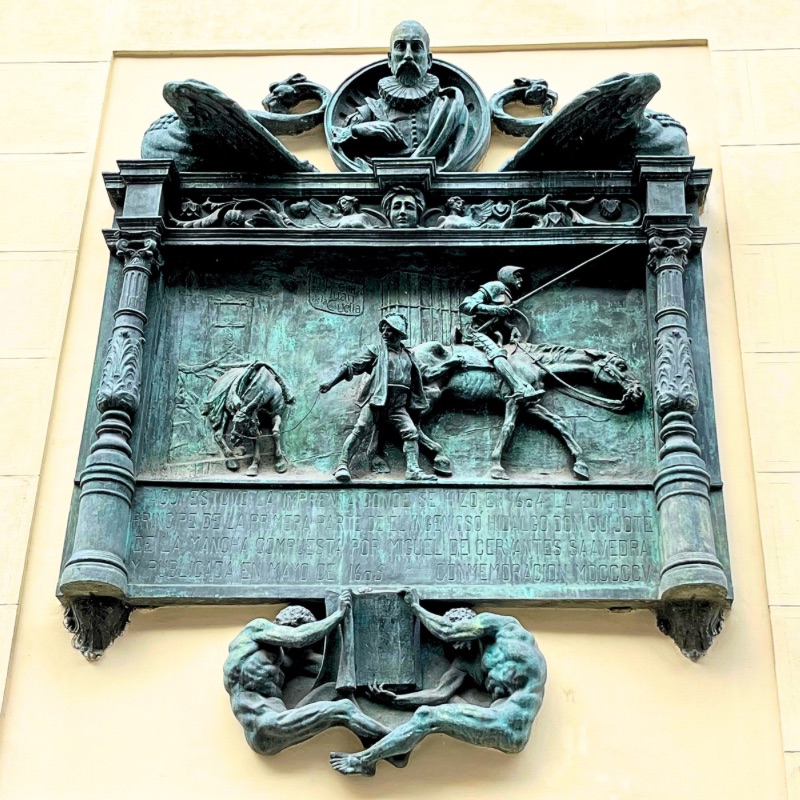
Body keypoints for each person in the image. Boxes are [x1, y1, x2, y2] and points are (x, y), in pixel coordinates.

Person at [329, 591, 547, 775]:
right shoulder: (465, 664)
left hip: (510, 725)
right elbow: (439, 693)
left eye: (457, 638)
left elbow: (447, 630)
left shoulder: (508, 631)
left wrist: (415, 607)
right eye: (450, 644)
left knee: (427, 716)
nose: (453, 646)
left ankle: (364, 761)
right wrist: (396, 700)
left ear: (471, 627)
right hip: (493, 719)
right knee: (444, 704)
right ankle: (397, 748)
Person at [223, 591, 392, 764]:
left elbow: (323, 666)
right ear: (288, 627)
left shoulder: (286, 660)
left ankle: (377, 745)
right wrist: (338, 615)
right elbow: (299, 638)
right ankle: (395, 741)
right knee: (343, 709)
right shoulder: (255, 631)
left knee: (331, 691)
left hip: (276, 731)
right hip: (266, 723)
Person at [329, 20, 471, 170]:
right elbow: (338, 138)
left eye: (416, 47)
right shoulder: (372, 110)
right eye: (400, 47)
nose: (408, 55)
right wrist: (363, 129)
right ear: (390, 60)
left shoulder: (451, 109)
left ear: (429, 61)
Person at [319, 313, 436, 482]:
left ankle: (413, 470)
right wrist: (331, 383)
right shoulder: (376, 351)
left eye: (389, 330)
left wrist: (452, 365)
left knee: (411, 432)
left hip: (398, 405)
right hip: (377, 402)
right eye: (383, 330)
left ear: (399, 332)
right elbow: (352, 366)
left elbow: (425, 375)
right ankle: (342, 466)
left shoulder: (409, 355)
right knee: (360, 430)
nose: (384, 333)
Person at [459, 266, 541, 400]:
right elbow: (465, 306)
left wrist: (511, 328)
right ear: (508, 275)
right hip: (476, 331)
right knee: (497, 353)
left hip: (491, 334)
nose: (520, 280)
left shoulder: (507, 294)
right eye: (517, 276)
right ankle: (519, 388)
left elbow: (498, 321)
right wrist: (494, 310)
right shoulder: (495, 286)